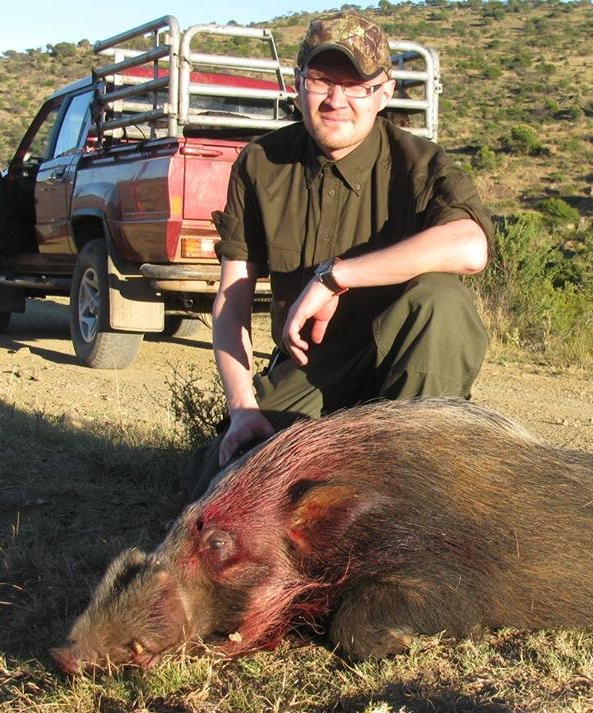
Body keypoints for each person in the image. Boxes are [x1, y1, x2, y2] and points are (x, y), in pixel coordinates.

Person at [188, 11, 493, 497]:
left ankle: (420, 479)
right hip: (309, 371)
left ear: (384, 93)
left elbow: (470, 246)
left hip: (405, 381)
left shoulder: (419, 162)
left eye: (356, 85)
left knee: (442, 299)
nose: (336, 100)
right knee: (228, 487)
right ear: (298, 82)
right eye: (322, 81)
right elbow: (232, 299)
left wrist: (337, 276)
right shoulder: (260, 164)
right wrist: (242, 405)